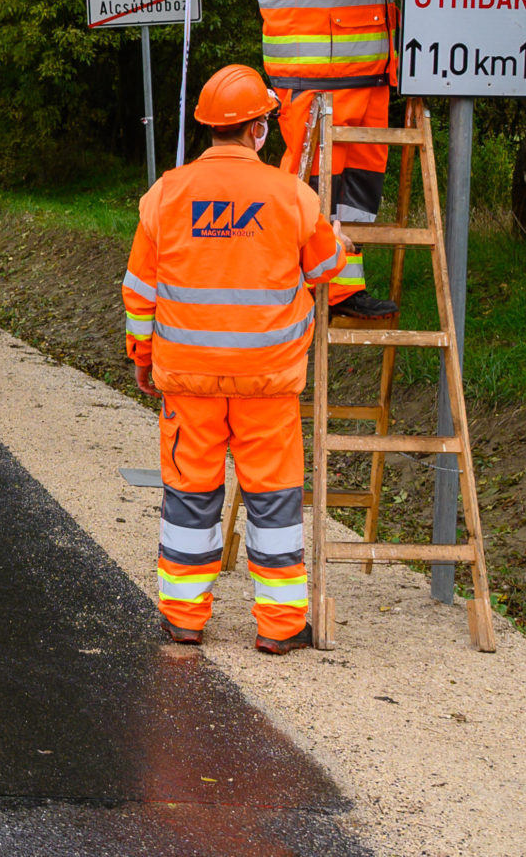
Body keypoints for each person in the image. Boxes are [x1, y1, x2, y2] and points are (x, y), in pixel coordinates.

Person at [122, 65, 352, 654]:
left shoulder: (166, 195)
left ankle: (184, 621)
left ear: (207, 128)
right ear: (256, 128)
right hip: (268, 381)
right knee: (273, 498)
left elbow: (140, 294)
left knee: (190, 497)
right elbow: (328, 271)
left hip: (188, 380)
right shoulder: (290, 194)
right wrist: (342, 241)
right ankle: (279, 628)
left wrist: (142, 358)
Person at [255, 0, 399, 318]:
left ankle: (343, 291)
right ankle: (289, 290)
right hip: (317, 85)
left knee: (354, 199)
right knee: (312, 196)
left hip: (367, 80)